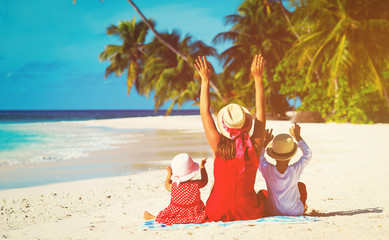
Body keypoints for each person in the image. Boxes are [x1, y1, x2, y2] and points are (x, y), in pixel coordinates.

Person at [194, 55, 266, 221]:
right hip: (249, 212)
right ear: (246, 123)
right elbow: (261, 114)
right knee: (263, 194)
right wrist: (258, 78)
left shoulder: (217, 145)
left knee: (215, 191)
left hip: (216, 211)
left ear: (224, 125)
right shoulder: (254, 145)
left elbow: (204, 113)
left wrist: (205, 80)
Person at [258, 123, 312, 216]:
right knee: (301, 186)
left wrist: (265, 143)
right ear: (291, 156)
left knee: (261, 193)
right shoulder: (295, 170)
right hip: (294, 212)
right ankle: (303, 206)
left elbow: (258, 157)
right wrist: (298, 137)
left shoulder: (267, 169)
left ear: (274, 156)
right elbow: (308, 154)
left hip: (272, 212)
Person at [143, 153, 208, 225]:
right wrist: (202, 166)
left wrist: (169, 174)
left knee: (166, 217)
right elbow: (205, 181)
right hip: (194, 214)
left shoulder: (174, 186)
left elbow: (167, 185)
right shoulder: (195, 184)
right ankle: (153, 217)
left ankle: (153, 217)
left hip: (176, 213)